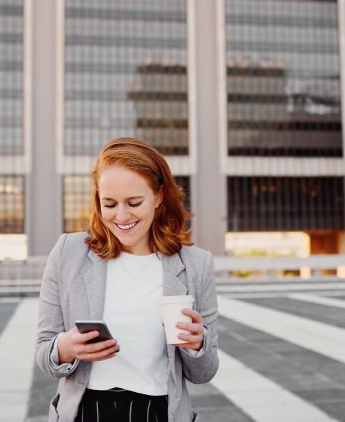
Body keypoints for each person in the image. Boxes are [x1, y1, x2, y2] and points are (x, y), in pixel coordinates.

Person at [35, 138, 219, 422]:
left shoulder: (197, 265)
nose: (122, 216)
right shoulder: (67, 253)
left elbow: (204, 374)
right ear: (98, 199)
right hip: (84, 412)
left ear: (159, 196)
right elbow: (44, 352)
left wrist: (197, 345)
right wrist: (65, 348)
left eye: (134, 202)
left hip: (157, 412)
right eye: (109, 203)